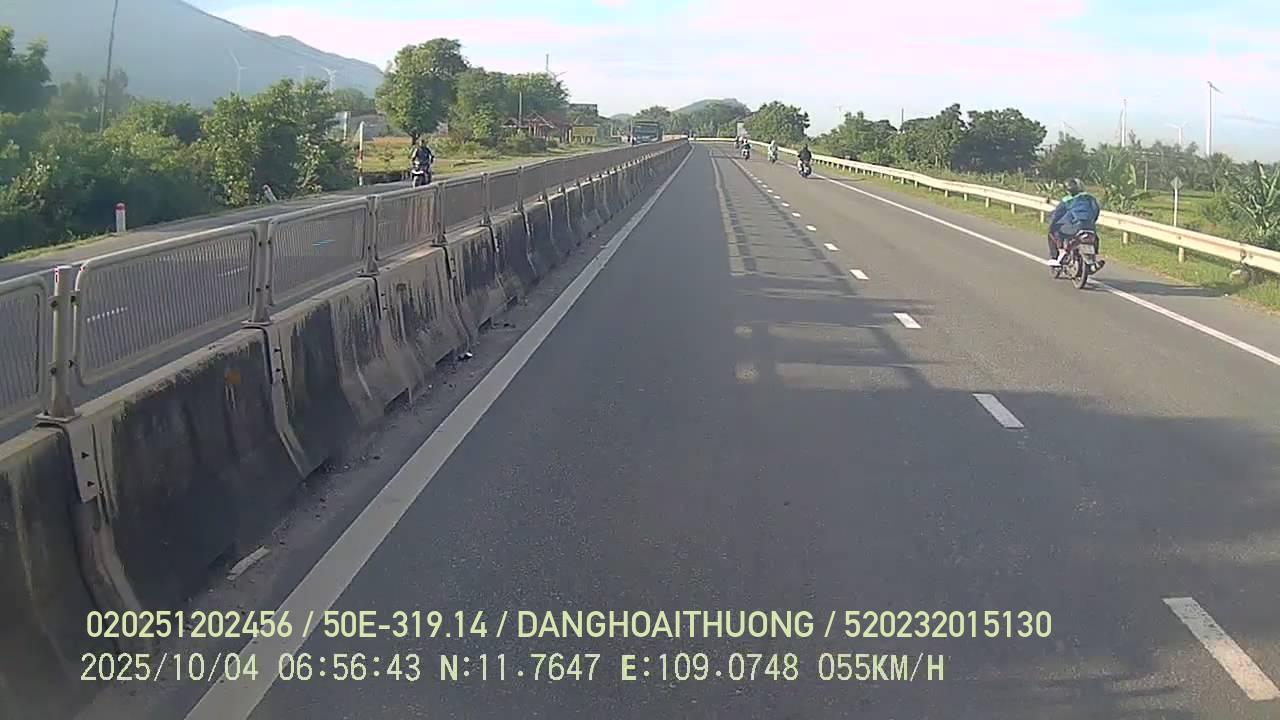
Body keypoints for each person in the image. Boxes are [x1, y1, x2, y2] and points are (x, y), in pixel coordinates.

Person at [1047, 178, 1103, 269]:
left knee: (1054, 231)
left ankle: (1059, 253)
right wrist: (1092, 221)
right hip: (1090, 226)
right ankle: (1093, 260)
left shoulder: (1067, 200)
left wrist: (1052, 224)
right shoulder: (1091, 198)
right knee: (1094, 238)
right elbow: (1096, 211)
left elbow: (1057, 214)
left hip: (1075, 226)